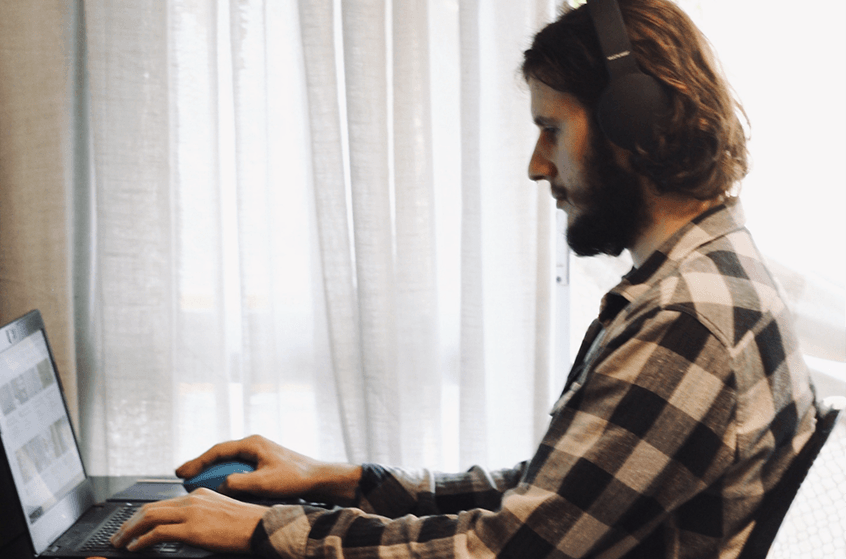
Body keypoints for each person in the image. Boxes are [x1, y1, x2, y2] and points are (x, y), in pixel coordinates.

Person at [111, 1, 817, 557]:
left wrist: (263, 530)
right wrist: (347, 480)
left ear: (632, 124)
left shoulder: (686, 321)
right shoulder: (709, 278)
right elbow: (556, 498)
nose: (538, 166)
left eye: (551, 130)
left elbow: (504, 547)